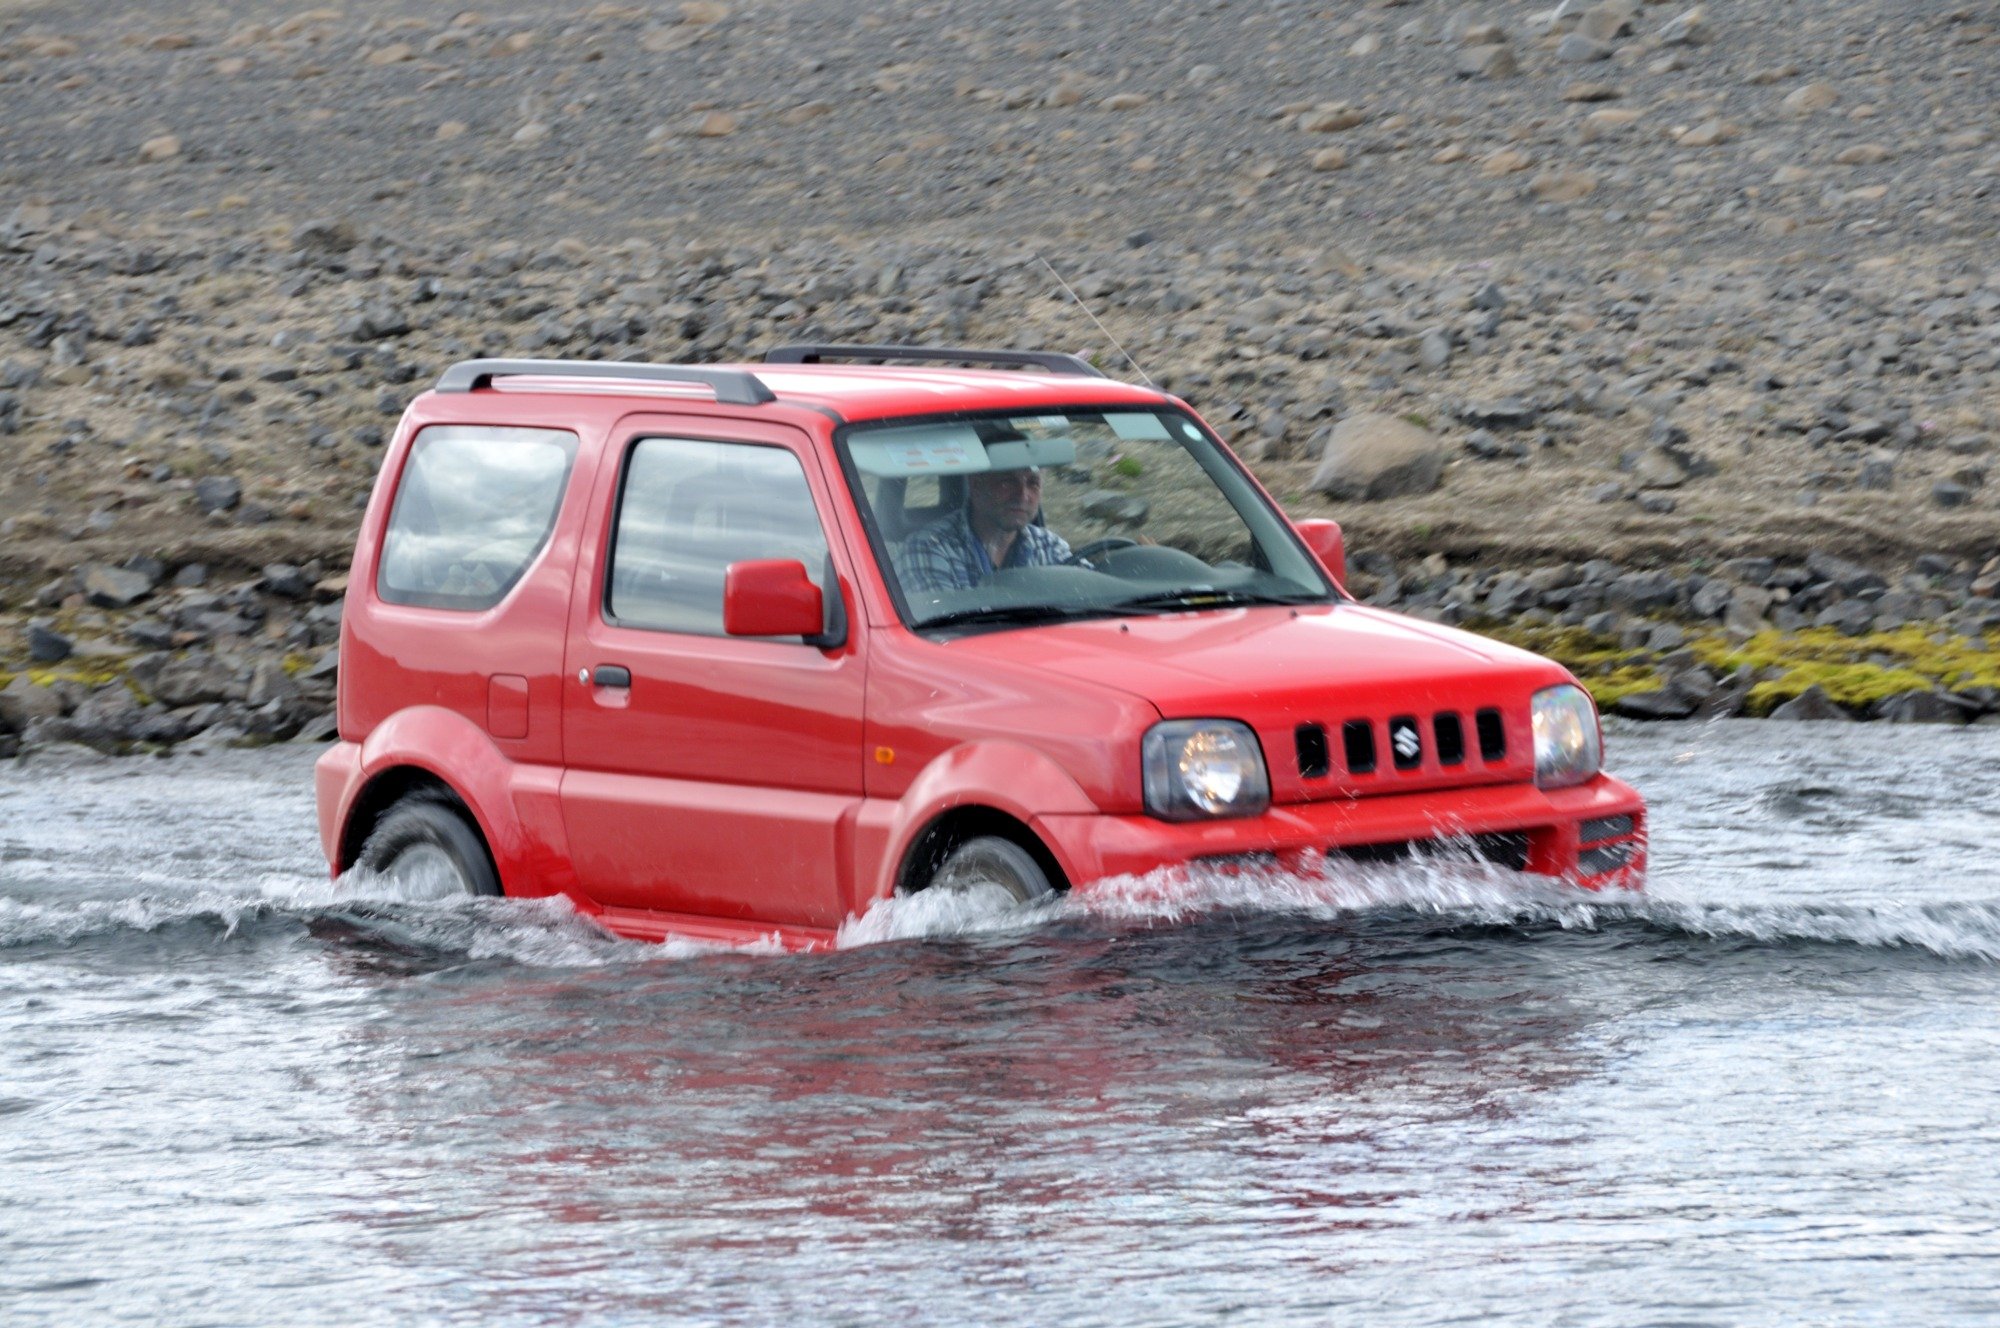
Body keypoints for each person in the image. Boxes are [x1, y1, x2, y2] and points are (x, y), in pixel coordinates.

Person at [897, 466, 1073, 593]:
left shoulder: (1050, 546)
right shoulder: (929, 547)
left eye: (1033, 483)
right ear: (975, 484)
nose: (1023, 495)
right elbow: (942, 632)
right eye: (1007, 483)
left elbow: (1089, 597)